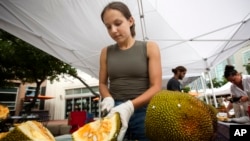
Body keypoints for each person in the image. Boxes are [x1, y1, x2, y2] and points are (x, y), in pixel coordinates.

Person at [99, 1, 162, 141]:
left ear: (131, 21)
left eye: (118, 23)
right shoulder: (105, 52)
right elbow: (103, 84)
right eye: (108, 27)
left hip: (144, 111)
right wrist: (108, 98)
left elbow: (156, 87)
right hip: (114, 110)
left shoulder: (150, 47)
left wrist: (129, 106)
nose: (113, 30)